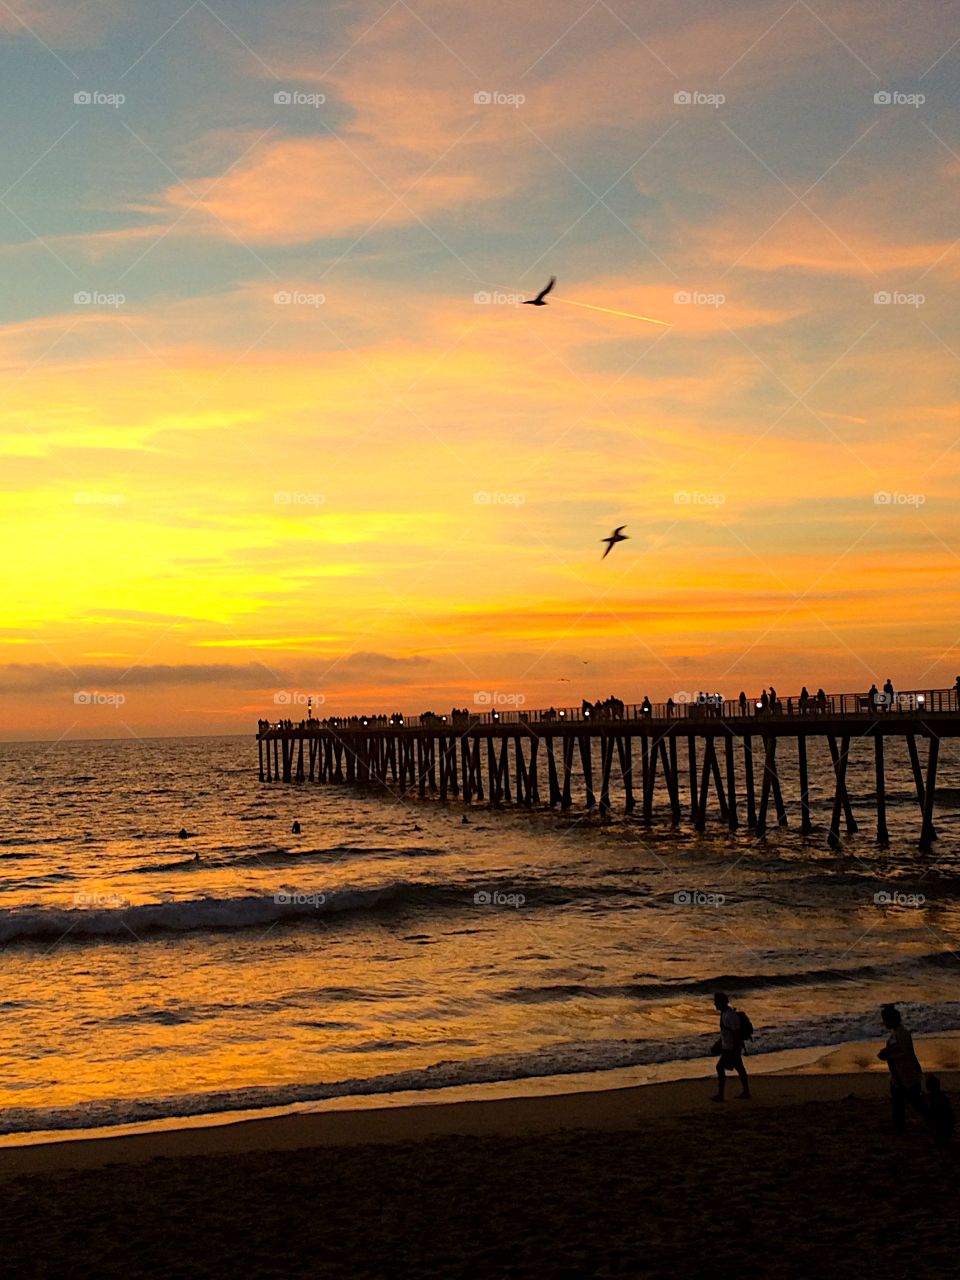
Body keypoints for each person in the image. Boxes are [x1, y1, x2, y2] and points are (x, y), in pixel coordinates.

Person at [877, 1004, 928, 1131]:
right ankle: (899, 1125)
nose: (884, 1023)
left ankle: (930, 1119)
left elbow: (906, 1052)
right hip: (899, 1074)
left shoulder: (902, 1033)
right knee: (899, 1101)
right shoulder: (896, 1033)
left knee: (915, 1101)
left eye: (885, 1020)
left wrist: (889, 1055)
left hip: (907, 1074)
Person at [711, 992, 750, 1101]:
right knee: (739, 1068)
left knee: (720, 1067)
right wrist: (719, 1043)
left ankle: (721, 1095)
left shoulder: (730, 1015)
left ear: (722, 1002)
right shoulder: (725, 1014)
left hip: (731, 1048)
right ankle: (746, 1092)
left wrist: (735, 1049)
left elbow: (736, 1033)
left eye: (716, 1002)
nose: (715, 1004)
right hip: (729, 1047)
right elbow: (726, 1032)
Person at [926, 1075, 955, 1148]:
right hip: (949, 1123)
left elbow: (936, 1112)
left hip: (944, 1123)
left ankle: (940, 1137)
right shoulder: (941, 1095)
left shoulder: (934, 1097)